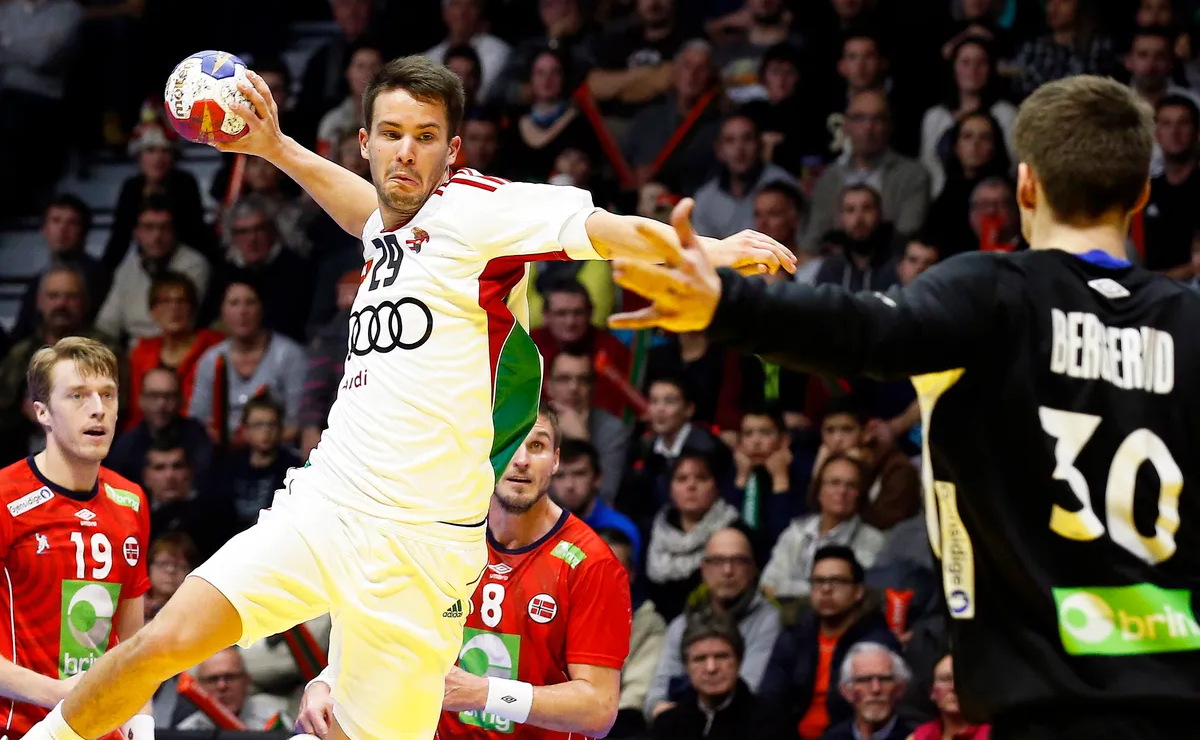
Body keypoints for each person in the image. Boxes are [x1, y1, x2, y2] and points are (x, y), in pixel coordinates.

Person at [24, 55, 793, 740]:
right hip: (327, 501)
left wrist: (708, 250)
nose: (406, 150)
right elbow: (364, 214)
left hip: (424, 548)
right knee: (166, 640)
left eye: (425, 136)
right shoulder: (387, 228)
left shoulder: (480, 209)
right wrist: (274, 146)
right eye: (390, 134)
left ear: (452, 151)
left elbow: (599, 228)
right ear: (365, 142)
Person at [607, 74, 1200, 738]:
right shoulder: (1189, 321)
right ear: (1142, 193)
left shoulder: (993, 291)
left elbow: (863, 328)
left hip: (1044, 700)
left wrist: (727, 305)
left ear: (1026, 184)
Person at [298, 405, 632, 740]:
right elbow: (384, 634)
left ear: (555, 460)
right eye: (508, 442)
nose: (521, 460)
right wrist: (326, 682)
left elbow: (598, 710)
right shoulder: (437, 535)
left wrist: (483, 693)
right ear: (480, 451)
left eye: (536, 446)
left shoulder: (592, 564)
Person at [0, 337, 153, 739]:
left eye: (107, 394)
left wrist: (142, 725)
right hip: (20, 728)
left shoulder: (130, 501)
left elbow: (134, 644)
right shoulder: (4, 497)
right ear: (43, 412)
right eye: (78, 395)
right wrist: (60, 695)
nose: (98, 408)